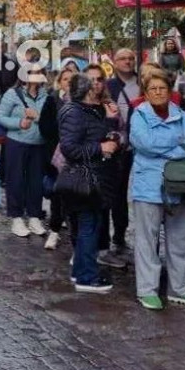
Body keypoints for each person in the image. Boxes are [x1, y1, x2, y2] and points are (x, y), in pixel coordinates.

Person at [129, 67, 185, 310]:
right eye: (153, 89)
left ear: (169, 92)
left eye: (162, 88)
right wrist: (175, 146)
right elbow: (144, 143)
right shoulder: (138, 115)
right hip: (148, 187)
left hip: (180, 185)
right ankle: (147, 290)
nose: (159, 92)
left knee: (179, 241)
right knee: (146, 241)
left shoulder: (181, 114)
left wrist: (166, 149)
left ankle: (179, 288)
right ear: (146, 93)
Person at [58, 69, 122, 293]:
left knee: (91, 225)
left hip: (98, 176)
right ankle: (86, 276)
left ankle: (81, 272)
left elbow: (99, 134)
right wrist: (100, 147)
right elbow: (70, 147)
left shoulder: (93, 110)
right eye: (91, 82)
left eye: (99, 81)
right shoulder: (75, 112)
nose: (97, 85)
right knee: (88, 227)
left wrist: (112, 125)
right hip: (84, 179)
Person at [101, 47, 141, 268]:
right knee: (116, 191)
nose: (127, 61)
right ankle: (115, 236)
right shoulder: (109, 86)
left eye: (130, 58)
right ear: (115, 62)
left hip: (141, 144)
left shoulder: (143, 83)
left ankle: (122, 234)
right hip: (119, 146)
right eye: (123, 58)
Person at [0, 71, 49, 237]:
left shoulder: (45, 95)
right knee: (16, 180)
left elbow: (49, 119)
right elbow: (1, 117)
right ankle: (16, 217)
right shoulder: (12, 94)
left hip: (39, 144)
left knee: (36, 182)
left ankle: (34, 217)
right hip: (17, 143)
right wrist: (18, 123)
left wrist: (38, 117)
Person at [41, 67, 75, 251]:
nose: (68, 82)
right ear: (60, 82)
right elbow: (44, 127)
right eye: (65, 79)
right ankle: (54, 231)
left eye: (72, 79)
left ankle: (74, 231)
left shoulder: (83, 100)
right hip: (56, 155)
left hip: (77, 156)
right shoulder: (52, 100)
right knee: (57, 195)